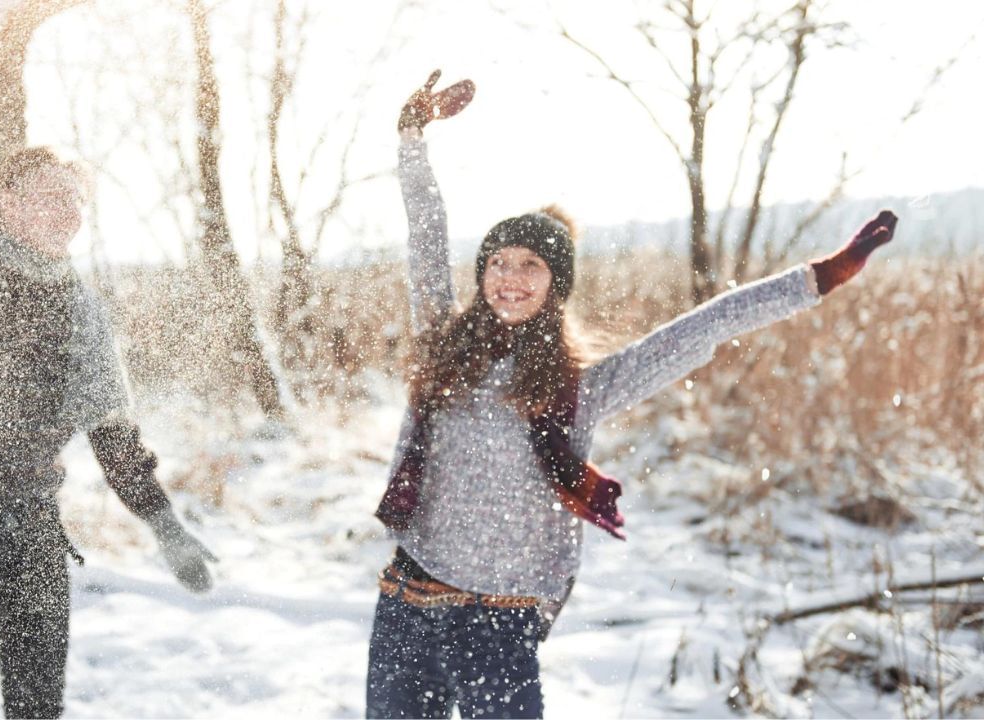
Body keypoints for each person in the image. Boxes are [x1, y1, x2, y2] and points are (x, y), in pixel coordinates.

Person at [365, 70, 899, 719]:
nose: (510, 278)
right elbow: (425, 233)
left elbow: (704, 327)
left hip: (501, 617)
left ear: (554, 286)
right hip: (409, 600)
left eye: (530, 266)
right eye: (498, 263)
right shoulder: (443, 346)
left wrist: (818, 279)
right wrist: (412, 137)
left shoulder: (580, 388)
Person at [0, 147, 217, 719]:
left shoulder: (82, 310)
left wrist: (163, 522)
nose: (67, 212)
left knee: (37, 707)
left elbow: (112, 430)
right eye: (49, 197)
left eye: (74, 200)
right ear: (7, 204)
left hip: (28, 518)